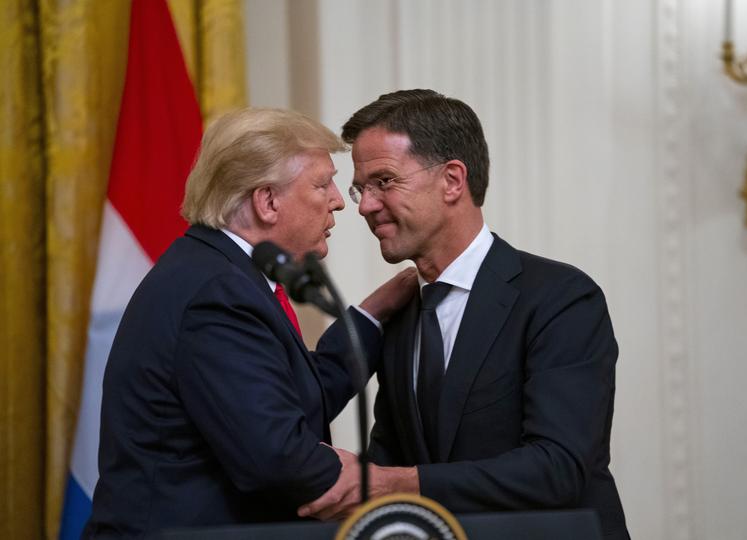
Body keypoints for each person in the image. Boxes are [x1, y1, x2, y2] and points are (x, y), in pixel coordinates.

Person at [298, 90, 630, 539]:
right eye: (362, 188)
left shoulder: (560, 297)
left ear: (453, 180)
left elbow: (558, 468)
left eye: (384, 182)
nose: (365, 206)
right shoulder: (404, 315)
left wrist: (393, 483)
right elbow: (390, 462)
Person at [83, 107, 416, 538]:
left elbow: (286, 397)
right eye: (322, 183)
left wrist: (371, 317)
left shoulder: (218, 272)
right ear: (267, 201)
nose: (338, 199)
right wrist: (385, 482)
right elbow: (277, 457)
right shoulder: (216, 293)